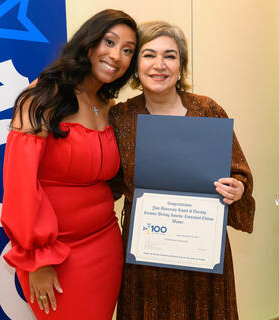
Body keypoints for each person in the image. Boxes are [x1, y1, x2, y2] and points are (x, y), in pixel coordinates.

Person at [109, 21, 255, 320]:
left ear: (181, 64)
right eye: (149, 55)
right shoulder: (121, 117)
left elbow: (239, 172)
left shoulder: (207, 110)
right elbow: (106, 183)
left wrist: (238, 189)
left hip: (202, 254)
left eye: (170, 56)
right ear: (135, 65)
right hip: (146, 259)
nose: (159, 65)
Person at [0, 9, 137, 320]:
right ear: (88, 43)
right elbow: (20, 185)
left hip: (105, 243)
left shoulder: (109, 106)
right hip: (55, 254)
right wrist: (37, 260)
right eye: (110, 42)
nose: (117, 56)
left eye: (127, 50)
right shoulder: (42, 98)